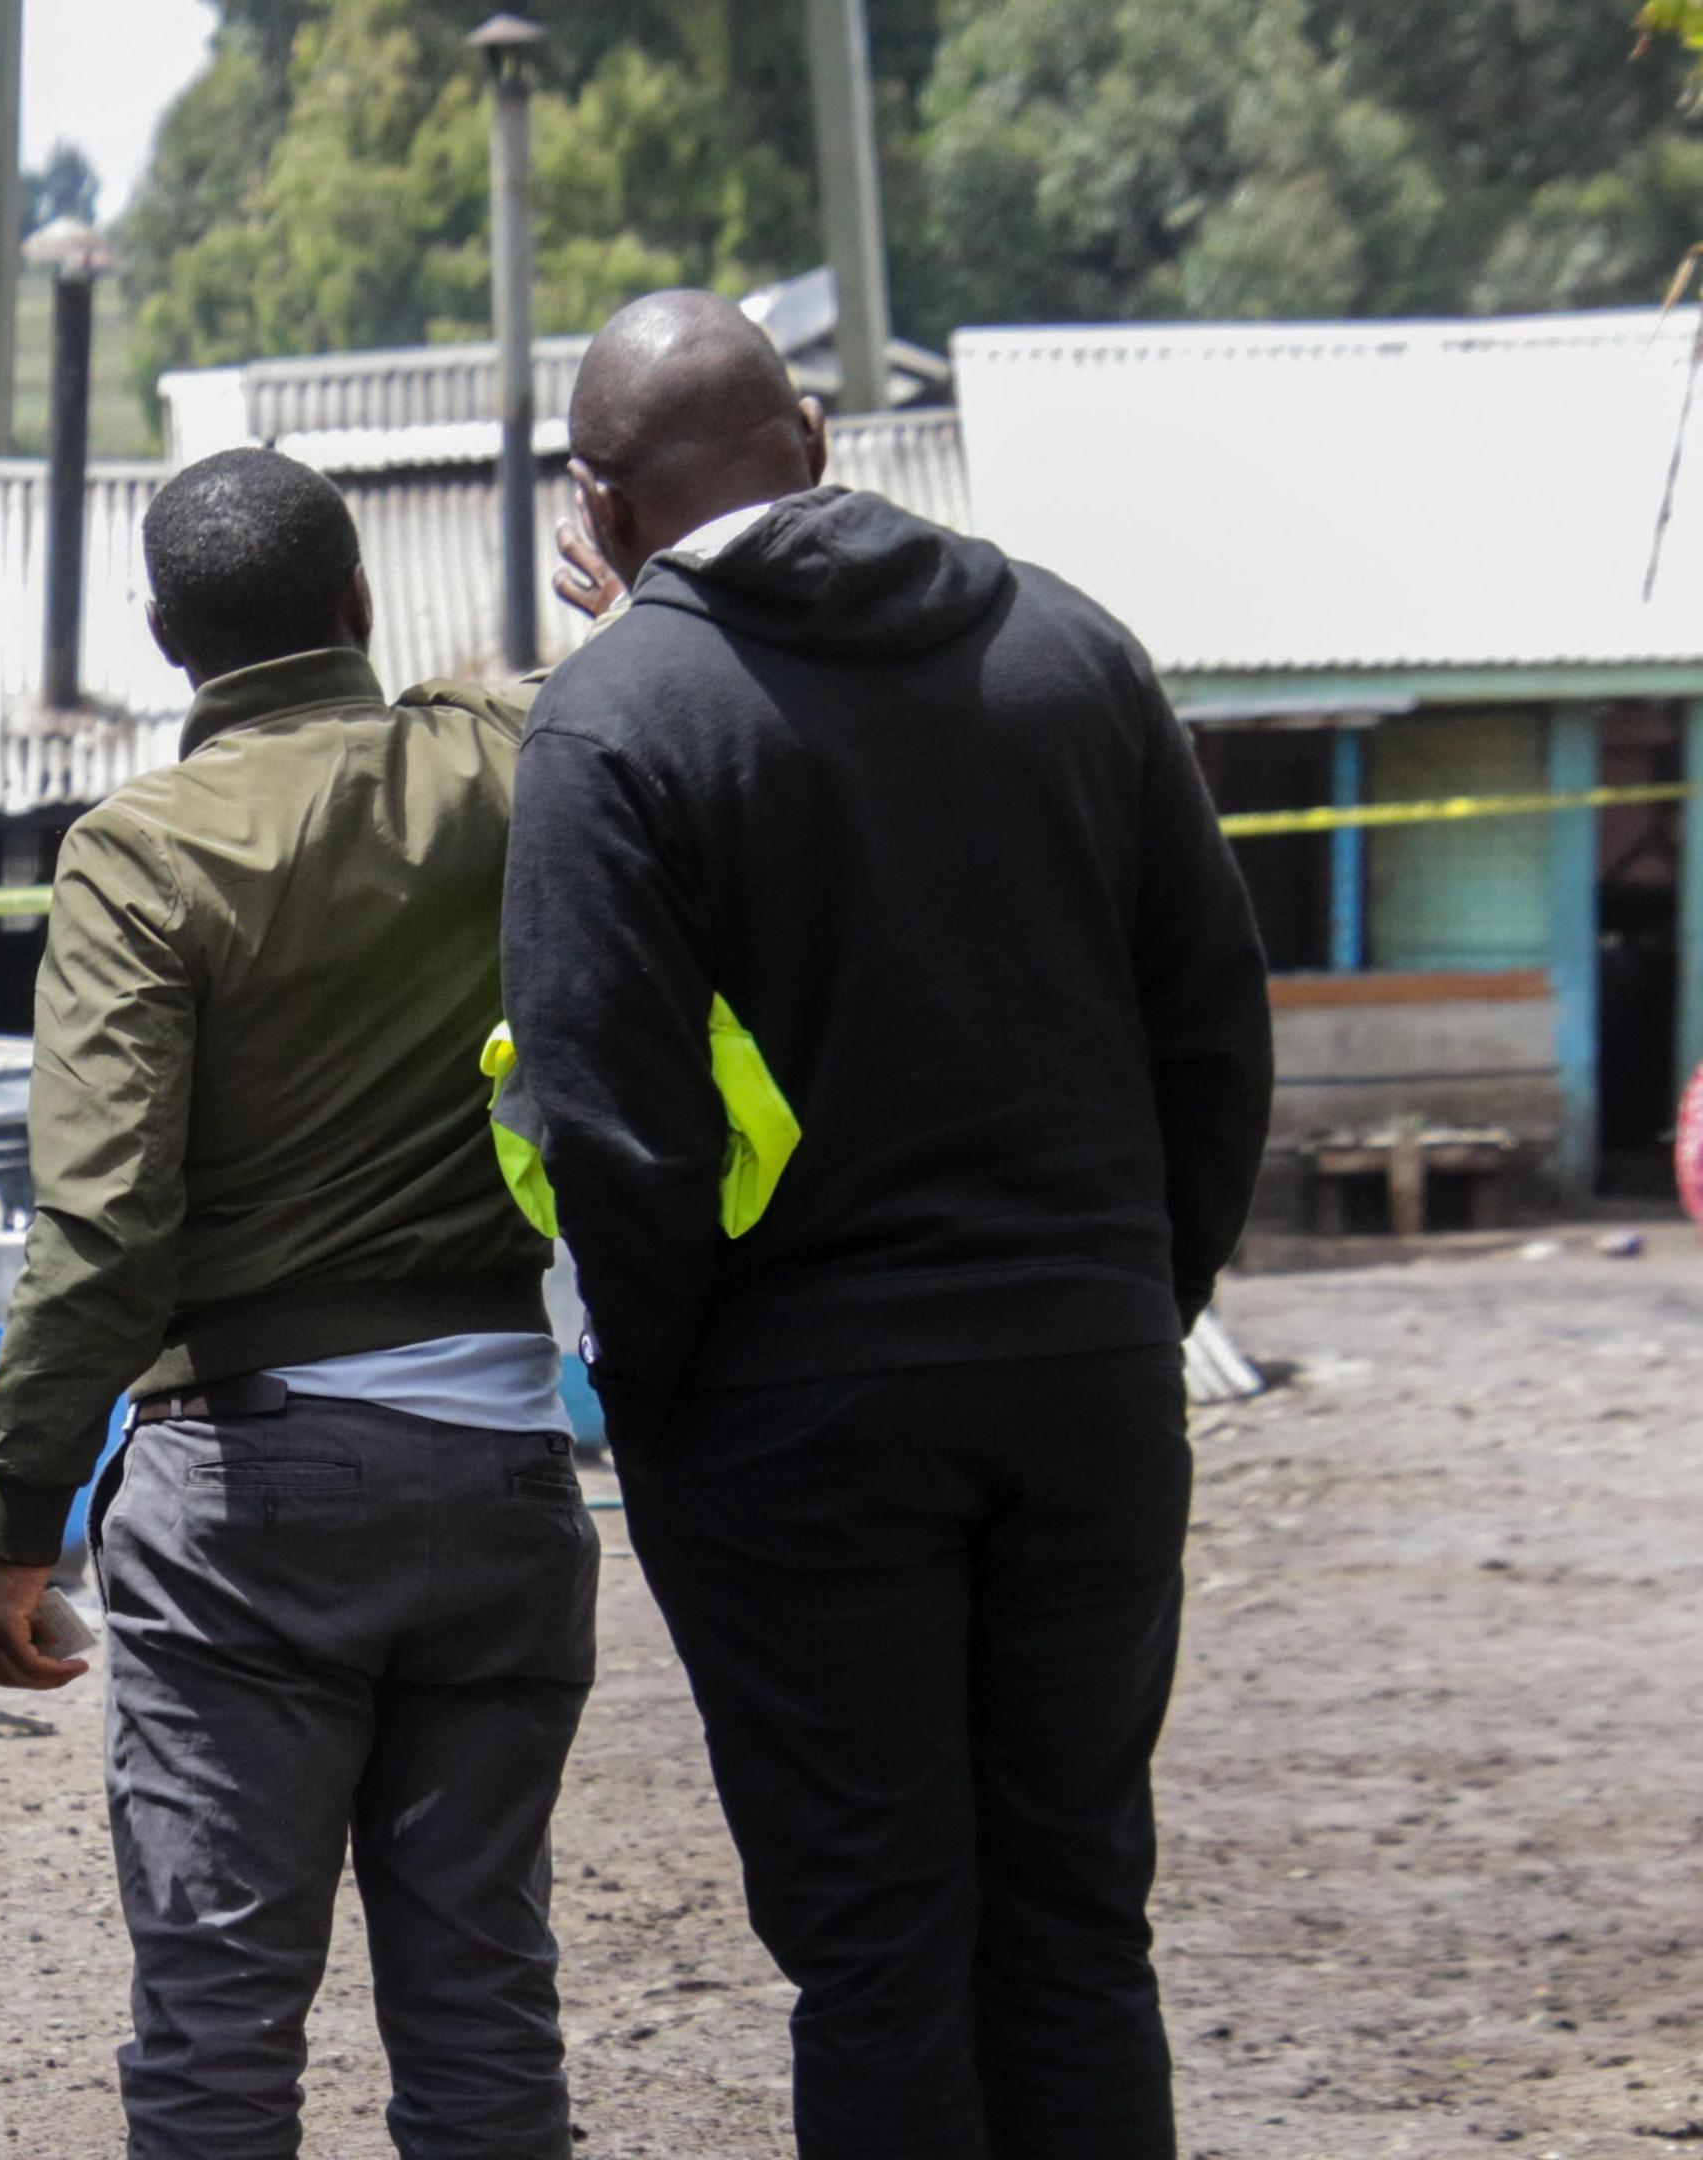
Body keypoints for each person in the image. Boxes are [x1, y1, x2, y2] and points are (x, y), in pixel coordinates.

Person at [496, 290, 1274, 2160]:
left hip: (793, 1415)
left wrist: (665, 1388)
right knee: (1078, 1923)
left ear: (592, 508)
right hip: (1087, 1374)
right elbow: (1217, 1030)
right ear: (820, 437)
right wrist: (1133, 1299)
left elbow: (612, 1125)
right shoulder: (1080, 653)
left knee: (877, 1955)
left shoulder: (613, 726)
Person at [0, 447, 600, 2160]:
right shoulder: (509, 762)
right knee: (483, 2014)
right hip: (506, 1483)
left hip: (252, 1503)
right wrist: (651, 610)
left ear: (168, 639)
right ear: (360, 600)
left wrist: (21, 1522)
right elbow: (635, 688)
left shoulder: (141, 858)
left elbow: (100, 1231)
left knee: (221, 2036)